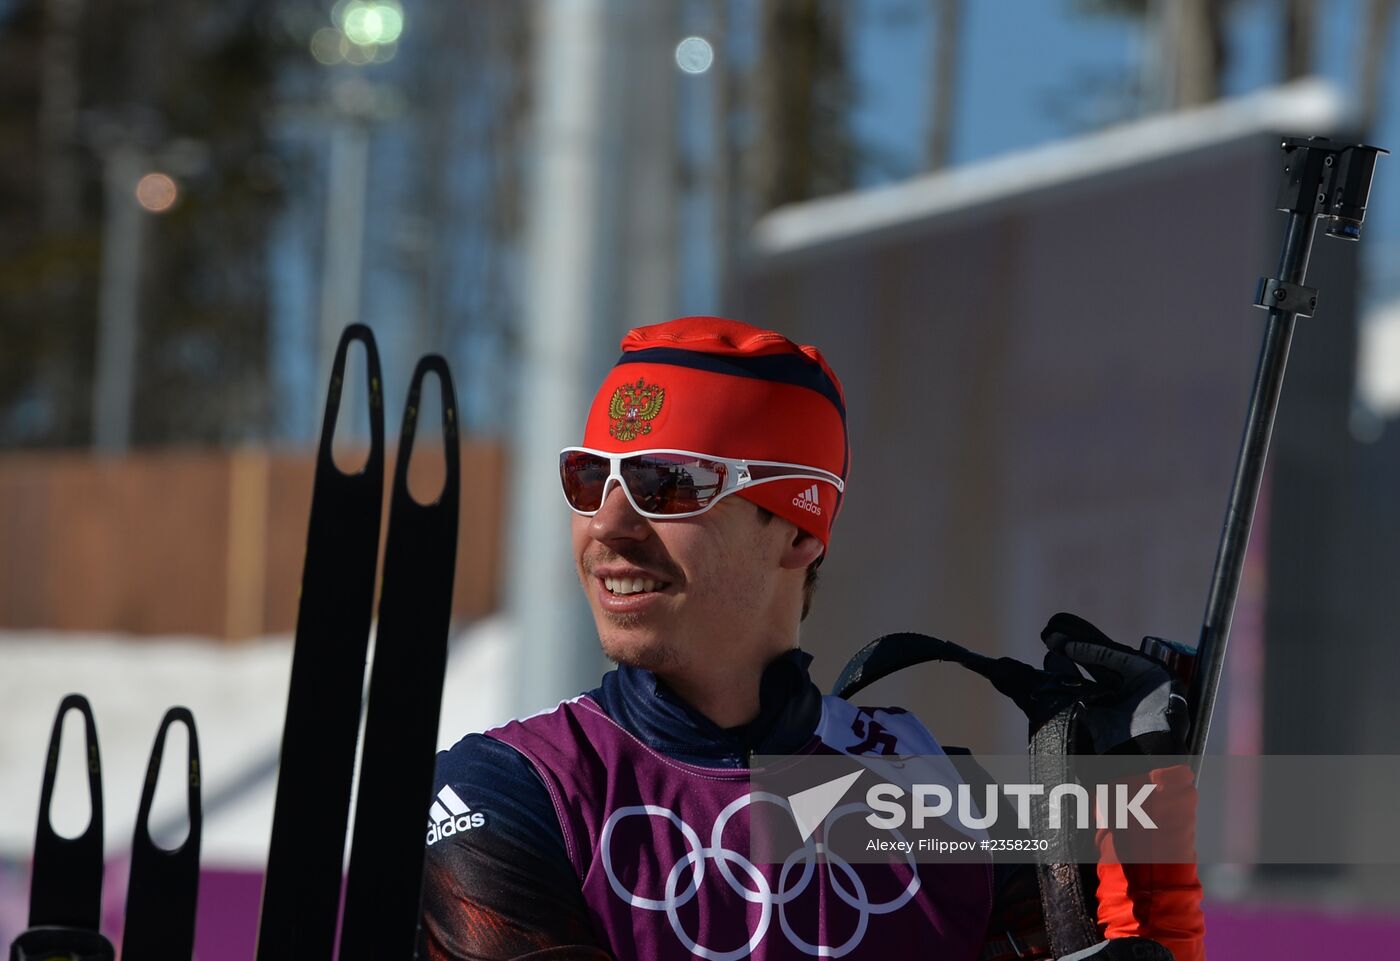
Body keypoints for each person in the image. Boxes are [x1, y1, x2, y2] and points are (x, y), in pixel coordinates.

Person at [420, 316, 1205, 961]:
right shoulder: (511, 793)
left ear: (798, 528)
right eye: (591, 478)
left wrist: (1142, 859)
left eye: (667, 483)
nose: (608, 526)